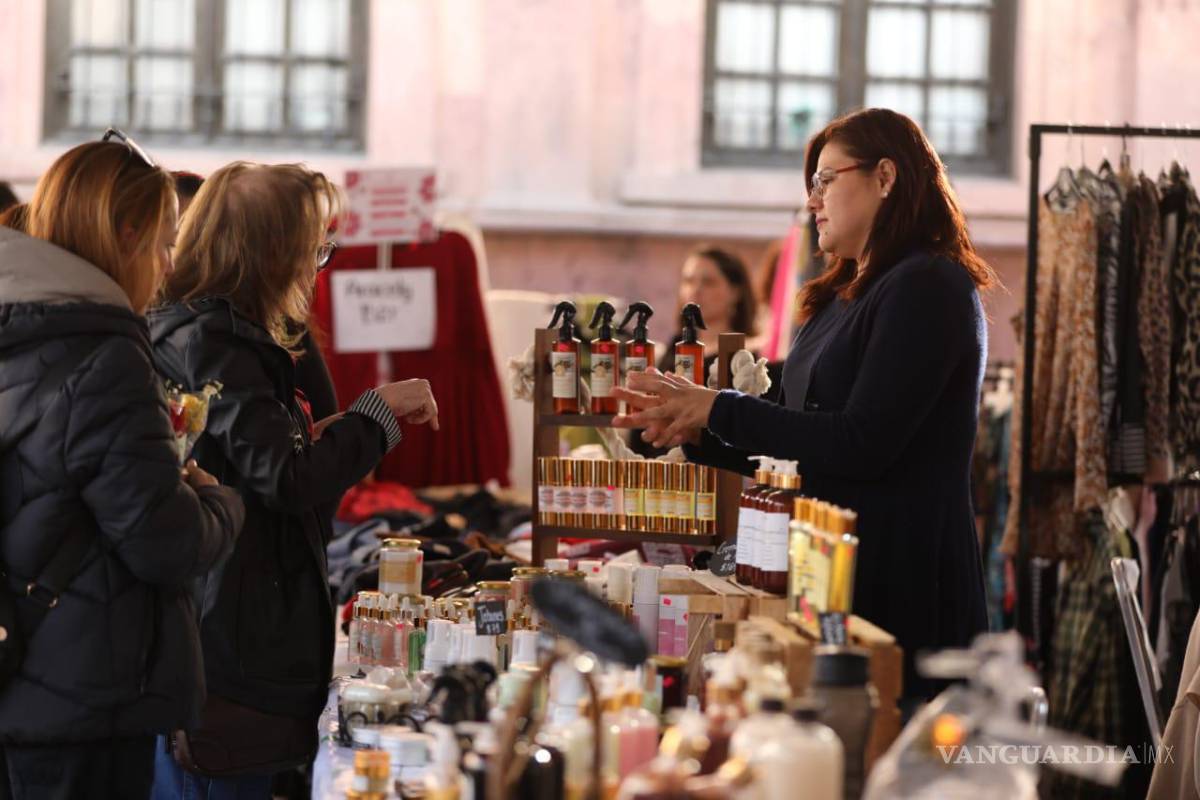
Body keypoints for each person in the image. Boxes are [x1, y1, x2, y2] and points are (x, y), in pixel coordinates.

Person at [614, 108, 996, 705]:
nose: (812, 202)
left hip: (904, 578)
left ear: (886, 177)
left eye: (825, 180)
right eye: (809, 187)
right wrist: (690, 426)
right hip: (833, 568)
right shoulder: (844, 297)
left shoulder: (928, 285)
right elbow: (795, 441)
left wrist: (716, 408)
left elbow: (860, 443)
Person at [148, 161, 439, 798]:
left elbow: (255, 459)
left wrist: (335, 427)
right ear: (270, 252)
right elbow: (283, 477)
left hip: (232, 628)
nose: (315, 266)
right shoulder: (216, 339)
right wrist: (376, 414)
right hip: (233, 639)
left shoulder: (216, 331)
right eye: (313, 248)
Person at [0, 135, 244, 798]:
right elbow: (164, 542)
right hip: (82, 696)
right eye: (164, 244)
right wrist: (217, 500)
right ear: (127, 235)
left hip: (22, 679)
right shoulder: (103, 356)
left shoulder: (20, 322)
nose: (166, 268)